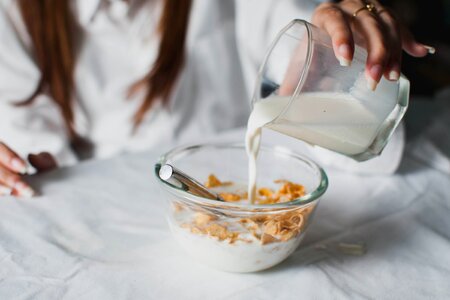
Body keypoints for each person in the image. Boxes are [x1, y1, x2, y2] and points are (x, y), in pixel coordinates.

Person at [0, 0, 433, 197]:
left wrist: (346, 58)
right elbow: (41, 167)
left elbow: (375, 155)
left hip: (256, 180)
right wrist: (28, 171)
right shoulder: (14, 14)